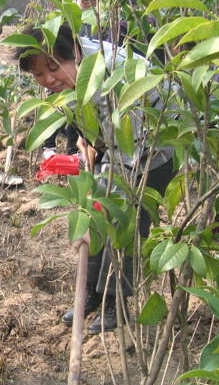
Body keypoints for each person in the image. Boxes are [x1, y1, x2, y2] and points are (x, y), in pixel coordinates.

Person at [17, 24, 175, 334]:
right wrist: (89, 139)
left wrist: (94, 215)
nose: (47, 80)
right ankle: (89, 294)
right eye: (38, 74)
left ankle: (115, 304)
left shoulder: (108, 75)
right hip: (117, 145)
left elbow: (126, 158)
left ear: (74, 52)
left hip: (154, 150)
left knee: (125, 223)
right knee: (98, 216)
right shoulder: (76, 72)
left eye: (52, 67)